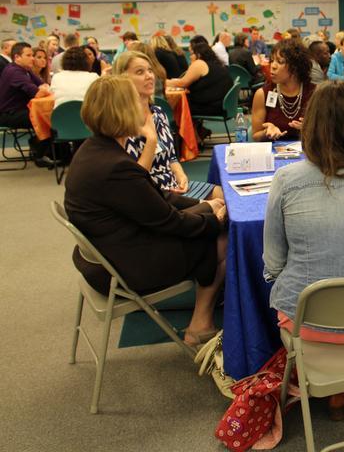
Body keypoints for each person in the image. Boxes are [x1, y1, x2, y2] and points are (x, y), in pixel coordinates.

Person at [263, 79, 344, 420]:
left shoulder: (287, 180)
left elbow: (274, 262)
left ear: (311, 127)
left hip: (305, 320)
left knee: (293, 283)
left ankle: (338, 388)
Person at [64, 76, 227, 346]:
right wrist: (214, 220)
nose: (144, 106)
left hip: (106, 254)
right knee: (223, 238)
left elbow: (153, 200)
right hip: (124, 267)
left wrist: (206, 206)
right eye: (137, 102)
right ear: (124, 112)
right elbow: (170, 222)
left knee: (213, 213)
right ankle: (201, 324)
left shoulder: (94, 150)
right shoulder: (116, 167)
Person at [114, 51, 223, 201]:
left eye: (150, 70)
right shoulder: (122, 122)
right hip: (151, 194)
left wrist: (181, 176)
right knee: (217, 206)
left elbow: (171, 158)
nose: (149, 76)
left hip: (172, 186)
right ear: (122, 79)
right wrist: (151, 140)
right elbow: (136, 179)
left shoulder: (158, 112)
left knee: (226, 196)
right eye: (140, 72)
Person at [251, 40, 315, 141]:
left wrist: (310, 130)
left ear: (295, 67)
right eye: (272, 61)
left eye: (280, 62)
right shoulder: (262, 94)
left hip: (306, 148)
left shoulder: (315, 93)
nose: (273, 66)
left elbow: (328, 133)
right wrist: (267, 132)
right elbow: (255, 136)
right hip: (273, 149)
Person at [0, 42, 53, 164]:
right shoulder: (14, 71)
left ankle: (38, 146)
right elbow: (38, 92)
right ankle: (39, 154)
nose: (32, 58)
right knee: (48, 119)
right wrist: (42, 89)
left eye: (32, 55)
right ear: (17, 57)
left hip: (21, 110)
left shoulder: (25, 69)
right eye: (28, 55)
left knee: (49, 116)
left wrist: (43, 88)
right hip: (9, 114)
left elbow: (43, 85)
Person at [167, 40, 231, 127]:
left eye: (191, 54)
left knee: (181, 105)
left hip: (210, 107)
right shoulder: (217, 64)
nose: (190, 57)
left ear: (199, 55)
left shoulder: (199, 63)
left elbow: (182, 83)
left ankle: (182, 133)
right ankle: (198, 131)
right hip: (222, 106)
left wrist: (164, 82)